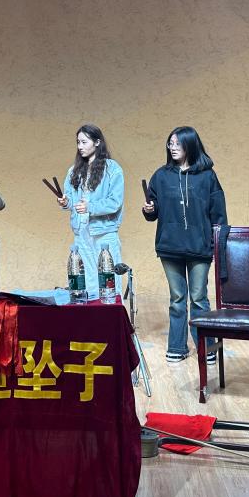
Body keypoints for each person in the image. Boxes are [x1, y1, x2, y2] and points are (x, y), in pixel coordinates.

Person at [142, 126, 227, 365]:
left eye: (178, 143)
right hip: (169, 247)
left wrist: (217, 245)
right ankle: (177, 347)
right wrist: (149, 209)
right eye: (170, 143)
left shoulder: (208, 176)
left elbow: (219, 214)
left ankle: (206, 347)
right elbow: (153, 211)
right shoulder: (161, 175)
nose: (173, 147)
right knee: (177, 298)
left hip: (200, 248)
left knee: (199, 298)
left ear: (190, 145)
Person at [55, 124, 124, 301]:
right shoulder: (74, 170)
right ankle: (91, 317)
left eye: (84, 142)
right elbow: (71, 200)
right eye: (78, 142)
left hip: (104, 233)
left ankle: (112, 317)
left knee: (109, 284)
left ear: (97, 142)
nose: (80, 146)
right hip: (81, 232)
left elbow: (115, 202)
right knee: (86, 283)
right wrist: (66, 202)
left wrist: (90, 207)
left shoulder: (112, 169)